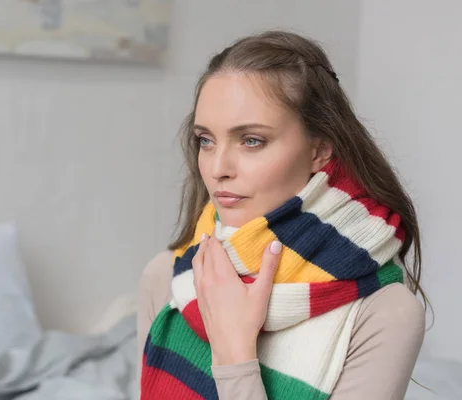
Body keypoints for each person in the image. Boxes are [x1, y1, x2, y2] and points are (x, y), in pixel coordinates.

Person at [136, 30, 427, 400]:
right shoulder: (169, 276)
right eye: (206, 140)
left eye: (251, 140)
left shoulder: (384, 313)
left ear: (319, 150)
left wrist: (233, 356)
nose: (217, 168)